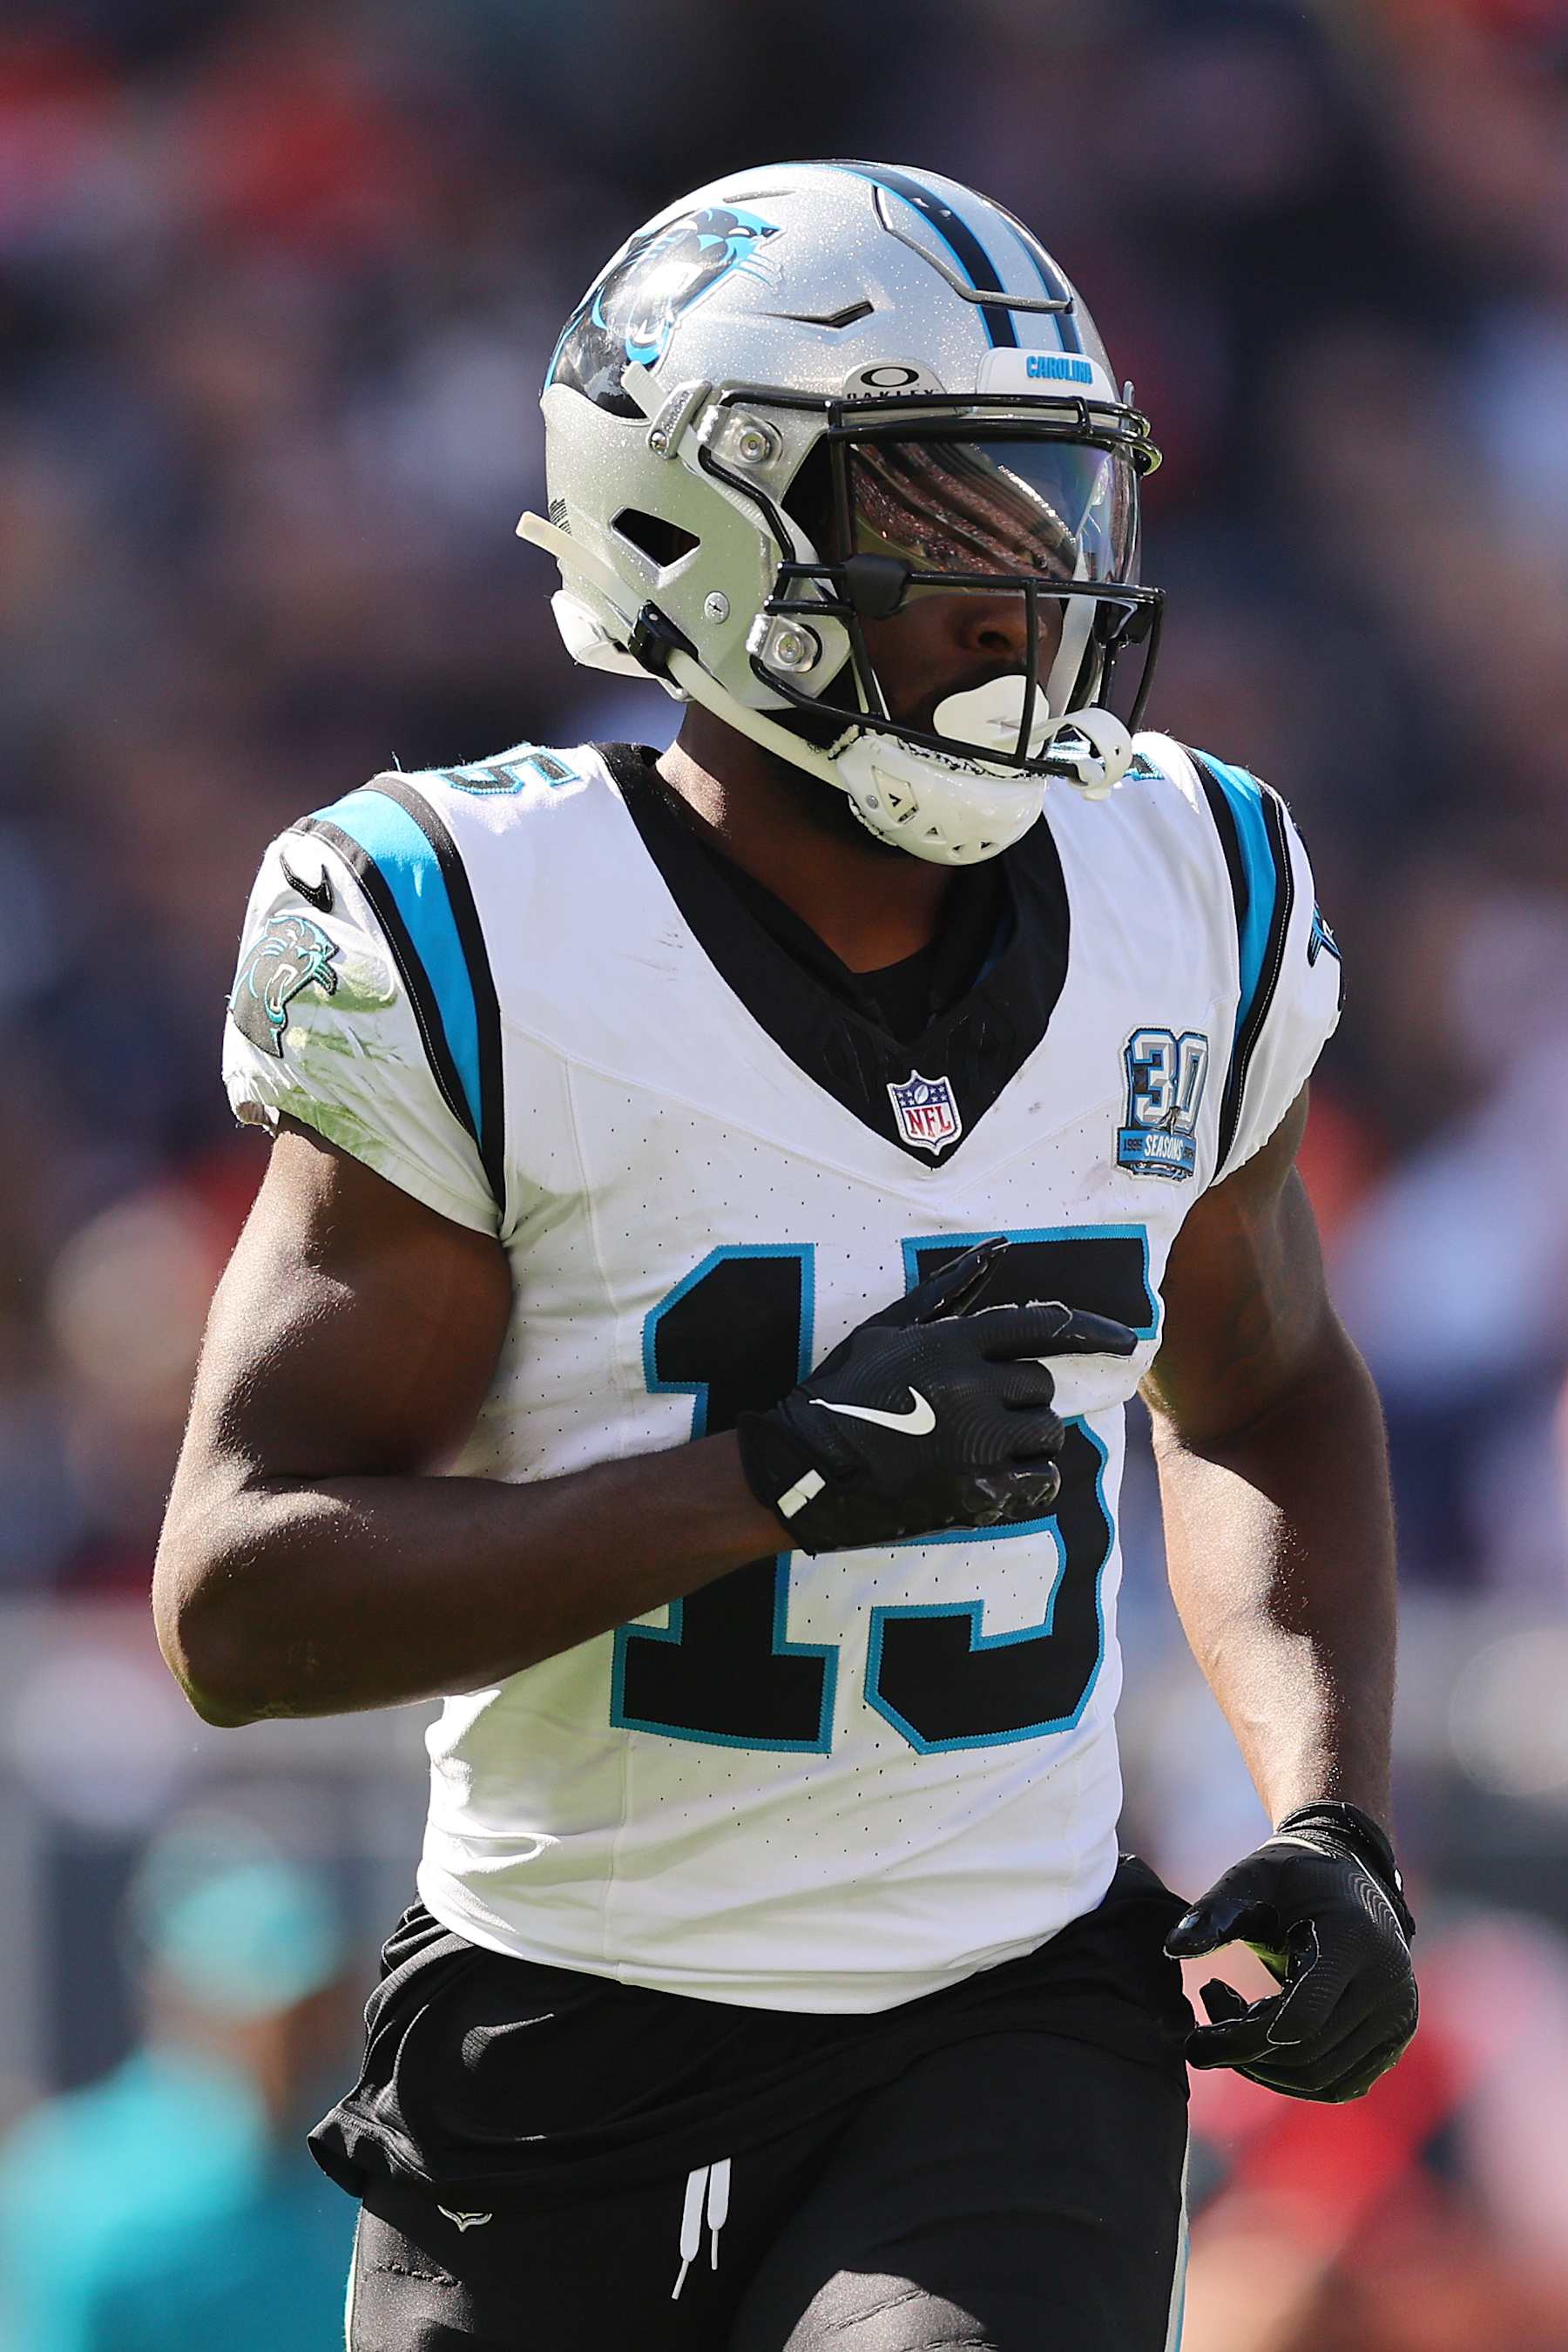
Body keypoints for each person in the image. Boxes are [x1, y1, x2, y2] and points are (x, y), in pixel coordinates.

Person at [153, 162, 1418, 2350]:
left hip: (1006, 2014)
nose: (1027, 586)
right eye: (947, 505)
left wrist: (1332, 1807)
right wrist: (766, 1481)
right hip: (558, 2023)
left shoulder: (1188, 884)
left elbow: (1267, 1379)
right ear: (695, 531)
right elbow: (243, 1598)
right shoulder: (483, 930)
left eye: (1054, 503)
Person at [0, 1844, 356, 2352]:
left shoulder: (366, 2183)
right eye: (280, 2015)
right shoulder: (73, 2187)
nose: (305, 2039)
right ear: (185, 2003)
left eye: (323, 2009)